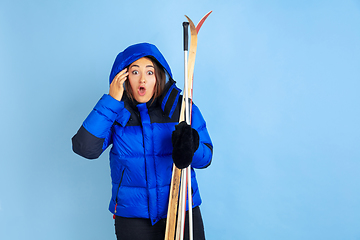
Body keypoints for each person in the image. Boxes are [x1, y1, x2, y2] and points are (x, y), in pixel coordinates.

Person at [72, 42, 213, 240]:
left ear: (159, 76)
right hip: (133, 217)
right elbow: (85, 148)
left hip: (181, 208)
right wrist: (110, 101)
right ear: (124, 77)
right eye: (135, 72)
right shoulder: (115, 113)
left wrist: (190, 148)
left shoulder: (182, 109)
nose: (142, 80)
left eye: (149, 72)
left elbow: (205, 159)